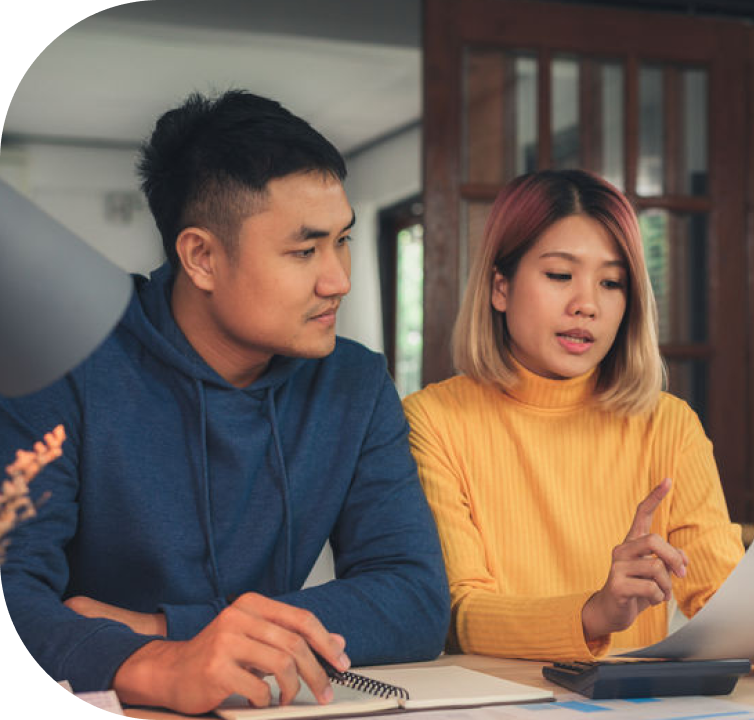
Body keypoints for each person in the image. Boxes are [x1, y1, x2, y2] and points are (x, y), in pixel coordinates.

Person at [0, 90, 449, 714]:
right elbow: (12, 591)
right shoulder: (61, 358)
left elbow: (415, 598)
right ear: (202, 257)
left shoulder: (353, 382)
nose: (338, 279)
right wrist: (158, 667)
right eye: (304, 250)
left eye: (342, 240)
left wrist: (166, 630)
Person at [402, 168, 754, 672]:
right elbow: (460, 614)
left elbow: (727, 606)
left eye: (611, 282)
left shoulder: (669, 425)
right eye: (559, 275)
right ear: (499, 288)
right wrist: (594, 614)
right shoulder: (434, 421)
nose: (586, 305)